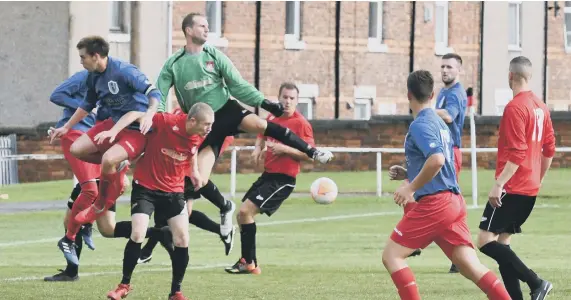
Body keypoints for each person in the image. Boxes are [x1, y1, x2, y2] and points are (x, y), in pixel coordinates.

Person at [154, 12, 334, 242]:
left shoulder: (214, 56)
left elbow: (238, 85)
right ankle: (222, 209)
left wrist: (263, 102)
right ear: (188, 30)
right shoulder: (174, 64)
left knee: (262, 124)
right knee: (198, 179)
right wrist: (159, 118)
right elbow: (159, 93)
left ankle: (313, 151)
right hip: (203, 124)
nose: (207, 29)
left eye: (208, 25)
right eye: (202, 26)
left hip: (226, 110)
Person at [383, 70, 511, 300]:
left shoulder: (420, 125)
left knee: (392, 256)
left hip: (436, 204)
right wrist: (409, 173)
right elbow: (442, 164)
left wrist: (410, 188)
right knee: (469, 266)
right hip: (453, 202)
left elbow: (437, 160)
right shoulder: (440, 123)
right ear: (433, 94)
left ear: (408, 94)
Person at [49, 36, 162, 266]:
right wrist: (66, 127)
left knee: (107, 172)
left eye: (83, 57)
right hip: (114, 125)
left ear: (96, 56)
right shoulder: (93, 78)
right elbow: (86, 105)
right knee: (77, 149)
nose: (80, 62)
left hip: (134, 129)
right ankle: (112, 173)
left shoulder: (124, 71)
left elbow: (154, 93)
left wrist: (150, 114)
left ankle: (99, 204)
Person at [106, 103, 214, 300]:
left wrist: (195, 171)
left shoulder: (200, 134)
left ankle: (176, 292)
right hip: (146, 187)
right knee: (138, 233)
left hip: (173, 191)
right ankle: (123, 286)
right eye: (207, 124)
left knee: (182, 239)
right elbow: (133, 113)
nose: (209, 128)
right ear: (192, 121)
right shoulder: (165, 121)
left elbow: (193, 149)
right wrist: (115, 131)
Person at [477, 56, 555, 300]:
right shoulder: (541, 106)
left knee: (484, 241)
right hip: (529, 188)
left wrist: (499, 183)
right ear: (529, 76)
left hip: (512, 187)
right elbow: (549, 149)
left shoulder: (515, 107)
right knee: (502, 242)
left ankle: (536, 282)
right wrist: (539, 178)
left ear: (510, 76)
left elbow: (518, 153)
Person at [224, 82, 315, 275]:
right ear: (279, 98)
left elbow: (310, 155)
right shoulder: (272, 116)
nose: (288, 101)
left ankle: (249, 263)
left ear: (297, 101)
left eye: (292, 98)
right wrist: (258, 147)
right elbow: (262, 132)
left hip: (284, 180)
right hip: (268, 175)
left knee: (245, 212)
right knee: (241, 215)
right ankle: (248, 262)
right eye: (285, 97)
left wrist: (285, 149)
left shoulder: (301, 124)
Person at [137, 107, 237, 264]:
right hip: (178, 168)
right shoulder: (182, 115)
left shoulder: (212, 121)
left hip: (184, 169)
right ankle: (148, 251)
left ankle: (147, 251)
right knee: (180, 213)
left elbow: (196, 145)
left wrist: (195, 169)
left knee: (175, 212)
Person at [407, 53, 469, 273]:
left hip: (448, 149)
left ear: (459, 70)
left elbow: (450, 116)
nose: (445, 70)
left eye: (450, 67)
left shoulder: (456, 93)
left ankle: (458, 253)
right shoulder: (443, 91)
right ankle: (413, 238)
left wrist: (426, 110)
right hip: (440, 148)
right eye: (442, 66)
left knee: (446, 198)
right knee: (428, 192)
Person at [43, 70, 101, 280]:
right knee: (86, 195)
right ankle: (71, 269)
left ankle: (154, 236)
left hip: (95, 142)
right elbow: (57, 95)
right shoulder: (84, 77)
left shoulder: (110, 84)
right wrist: (85, 107)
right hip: (78, 138)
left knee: (108, 219)